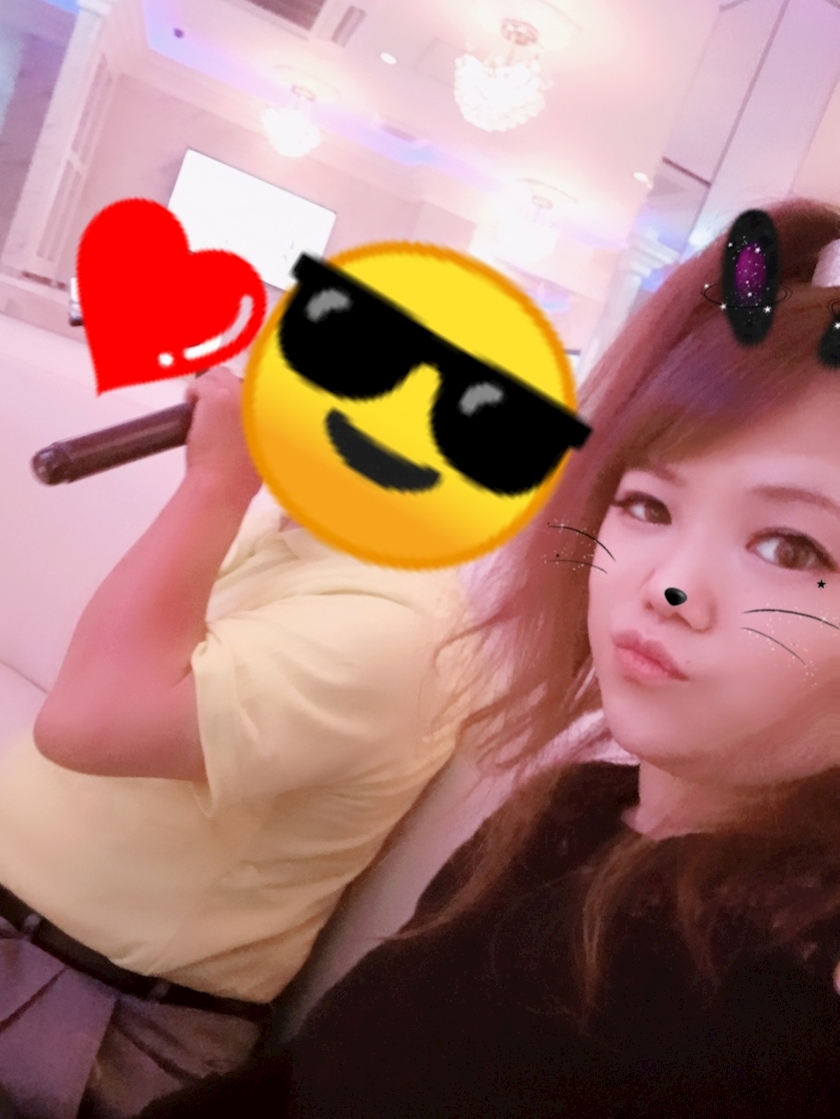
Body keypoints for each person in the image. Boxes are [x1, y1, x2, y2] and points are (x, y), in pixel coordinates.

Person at [138, 197, 840, 1118]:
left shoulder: (787, 1004)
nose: (667, 586)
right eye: (648, 506)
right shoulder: (573, 810)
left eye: (791, 547)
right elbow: (319, 1073)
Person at [0, 365, 479, 1119]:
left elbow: (83, 722)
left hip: (93, 1011)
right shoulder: (293, 534)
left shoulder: (394, 629)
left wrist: (215, 483)